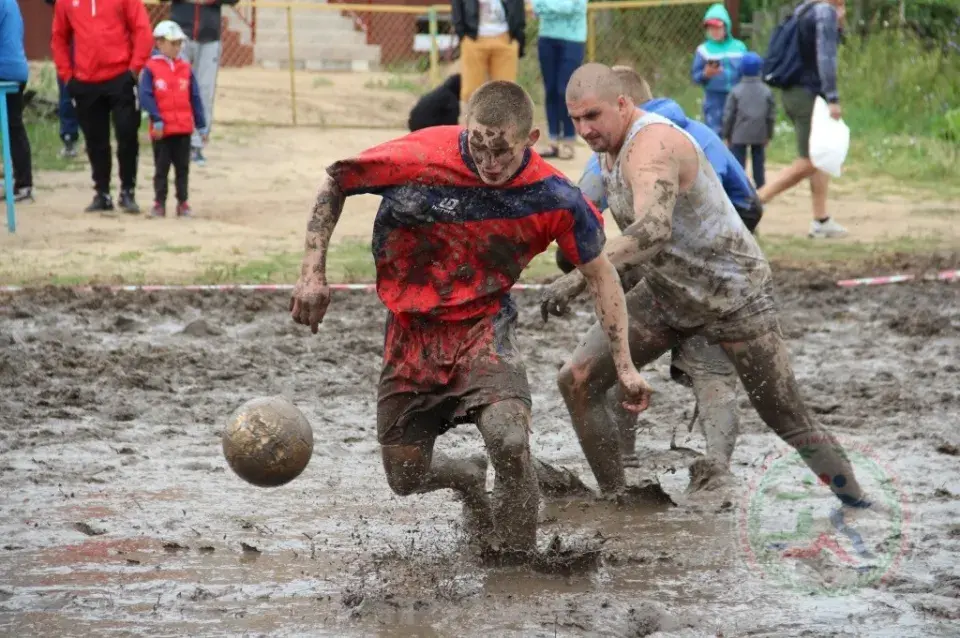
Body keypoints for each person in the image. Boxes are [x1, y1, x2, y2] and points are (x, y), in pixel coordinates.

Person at [289, 80, 648, 559]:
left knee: (509, 437)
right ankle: (466, 474)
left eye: (502, 151)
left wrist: (624, 365)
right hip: (411, 334)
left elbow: (601, 276)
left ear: (531, 139)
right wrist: (312, 272)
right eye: (479, 146)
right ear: (466, 130)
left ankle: (518, 566)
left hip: (485, 328)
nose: (488, 162)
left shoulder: (554, 196)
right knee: (405, 477)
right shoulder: (419, 155)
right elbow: (336, 181)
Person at [542, 64, 880, 524]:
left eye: (593, 117)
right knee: (576, 379)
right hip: (666, 294)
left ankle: (859, 503)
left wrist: (580, 276)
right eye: (576, 119)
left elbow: (655, 229)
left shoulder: (653, 145)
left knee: (787, 418)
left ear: (623, 104)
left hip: (733, 295)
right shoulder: (605, 149)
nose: (584, 130)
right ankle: (617, 498)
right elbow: (579, 213)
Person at [560, 65, 756, 481]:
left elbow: (582, 210)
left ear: (623, 105)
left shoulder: (626, 145)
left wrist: (577, 267)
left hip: (645, 269)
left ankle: (624, 454)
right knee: (712, 370)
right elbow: (749, 201)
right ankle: (717, 465)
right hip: (721, 275)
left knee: (620, 356)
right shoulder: (703, 135)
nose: (588, 128)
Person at [51, 0, 153, 215]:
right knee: (95, 140)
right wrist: (68, 76)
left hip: (120, 76)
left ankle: (127, 191)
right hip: (85, 80)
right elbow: (59, 36)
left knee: (126, 133)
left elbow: (142, 29)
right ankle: (102, 193)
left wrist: (134, 69)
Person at [757, 0, 848, 239]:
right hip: (806, 94)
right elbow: (826, 56)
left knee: (821, 155)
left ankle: (821, 219)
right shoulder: (823, 11)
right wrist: (833, 97)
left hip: (794, 91)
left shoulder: (805, 9)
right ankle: (753, 203)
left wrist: (839, 24)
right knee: (810, 160)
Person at [140, 21, 208, 219]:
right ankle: (159, 203)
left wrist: (201, 125)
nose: (177, 47)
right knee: (161, 169)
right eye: (173, 43)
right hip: (163, 131)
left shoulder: (185, 68)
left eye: (179, 43)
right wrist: (156, 118)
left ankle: (183, 203)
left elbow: (194, 97)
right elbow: (146, 96)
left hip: (183, 129)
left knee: (182, 169)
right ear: (159, 43)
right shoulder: (151, 68)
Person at [163, 0, 239, 166]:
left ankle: (196, 144)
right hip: (180, 36)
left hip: (209, 37)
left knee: (204, 91)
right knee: (176, 88)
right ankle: (174, 139)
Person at [531, 0, 587, 160]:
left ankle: (569, 139)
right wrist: (555, 7)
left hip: (573, 39)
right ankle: (553, 140)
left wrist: (546, 6)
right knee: (551, 89)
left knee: (565, 89)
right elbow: (536, 6)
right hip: (547, 37)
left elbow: (570, 8)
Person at [451, 0, 525, 104]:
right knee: (472, 93)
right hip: (474, 39)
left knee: (506, 93)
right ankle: (473, 119)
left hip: (505, 38)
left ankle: (501, 120)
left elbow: (518, 7)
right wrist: (462, 34)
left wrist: (517, 36)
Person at [691, 3, 746, 136]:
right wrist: (705, 74)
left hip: (737, 96)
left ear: (726, 27)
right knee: (714, 133)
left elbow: (747, 71)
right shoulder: (703, 50)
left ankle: (735, 156)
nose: (714, 31)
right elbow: (695, 77)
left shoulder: (739, 47)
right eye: (710, 28)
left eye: (718, 27)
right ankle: (715, 157)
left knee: (736, 132)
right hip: (714, 98)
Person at [722, 51, 775, 189]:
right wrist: (769, 134)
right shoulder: (766, 91)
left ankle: (740, 187)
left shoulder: (735, 90)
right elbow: (771, 116)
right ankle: (761, 188)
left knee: (738, 162)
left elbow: (729, 115)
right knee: (758, 161)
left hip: (738, 133)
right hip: (759, 132)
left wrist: (726, 134)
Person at [0, 0, 33, 203]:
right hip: (17, 67)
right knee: (14, 126)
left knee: (13, 126)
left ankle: (22, 181)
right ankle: (23, 181)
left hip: (4, 69)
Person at [44, 0, 81, 158]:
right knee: (67, 89)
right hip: (67, 33)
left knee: (95, 90)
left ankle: (95, 136)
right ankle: (69, 138)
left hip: (90, 35)